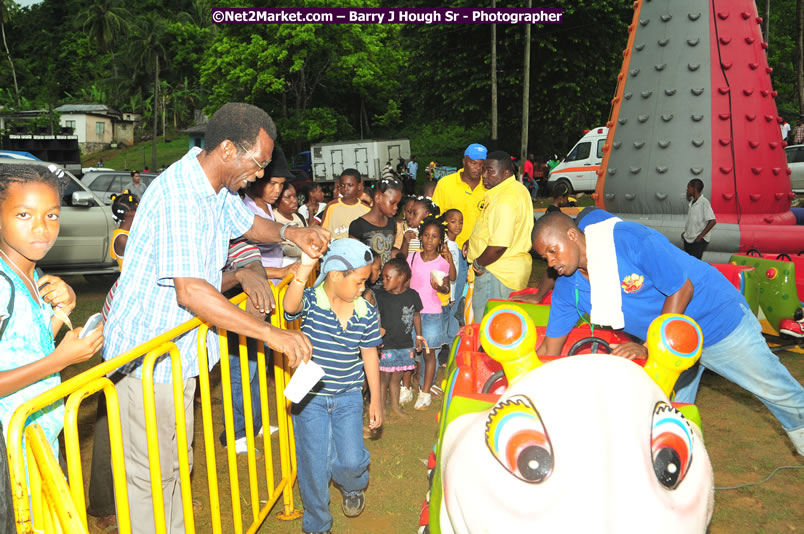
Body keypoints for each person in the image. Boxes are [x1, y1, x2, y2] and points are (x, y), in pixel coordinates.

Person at [102, 103, 329, 534]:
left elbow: (250, 226)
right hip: (145, 359)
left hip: (177, 357)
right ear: (227, 149)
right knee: (149, 476)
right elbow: (193, 292)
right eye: (258, 163)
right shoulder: (180, 196)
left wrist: (289, 232)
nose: (261, 175)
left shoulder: (217, 190)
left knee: (175, 465)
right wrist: (271, 335)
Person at [531, 210, 804, 456]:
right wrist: (523, 387)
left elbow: (681, 289)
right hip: (670, 345)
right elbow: (548, 351)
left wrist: (650, 346)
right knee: (665, 416)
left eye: (553, 251)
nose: (551, 262)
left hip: (716, 322)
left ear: (571, 235)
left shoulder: (629, 240)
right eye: (545, 258)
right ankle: (679, 478)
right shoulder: (569, 287)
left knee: (777, 390)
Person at [0, 163, 103, 480]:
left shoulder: (32, 276)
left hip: (38, 440)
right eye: (24, 215)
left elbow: (24, 345)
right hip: (10, 453)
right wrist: (61, 360)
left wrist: (62, 313)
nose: (42, 228)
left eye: (52, 215)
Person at [282, 239, 382, 534]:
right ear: (336, 275)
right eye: (359, 282)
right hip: (310, 399)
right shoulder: (312, 301)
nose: (363, 288)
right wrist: (304, 269)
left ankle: (352, 487)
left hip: (349, 397)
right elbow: (290, 306)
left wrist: (374, 399)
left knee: (351, 459)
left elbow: (370, 355)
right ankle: (317, 523)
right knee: (314, 463)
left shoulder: (365, 311)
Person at [467, 151, 534, 321]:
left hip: (496, 272)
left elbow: (498, 246)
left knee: (488, 326)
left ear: (506, 173)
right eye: (483, 170)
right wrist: (473, 242)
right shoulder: (516, 189)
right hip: (508, 269)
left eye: (490, 171)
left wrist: (477, 265)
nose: (484, 176)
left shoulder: (505, 199)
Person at [432, 144, 487, 322]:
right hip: (452, 252)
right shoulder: (446, 184)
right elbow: (435, 217)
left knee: (478, 298)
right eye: (473, 163)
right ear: (464, 161)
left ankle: (471, 333)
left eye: (481, 164)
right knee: (451, 297)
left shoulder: (489, 187)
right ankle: (451, 338)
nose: (477, 168)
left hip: (481, 253)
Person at [407, 216, 455, 409]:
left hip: (432, 313)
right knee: (410, 351)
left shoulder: (442, 262)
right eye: (426, 235)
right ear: (421, 237)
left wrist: (440, 287)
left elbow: (447, 287)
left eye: (434, 236)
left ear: (440, 240)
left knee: (429, 353)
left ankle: (425, 391)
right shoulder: (413, 257)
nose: (429, 240)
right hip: (412, 313)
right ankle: (406, 386)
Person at [374, 257, 422, 418]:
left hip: (405, 344)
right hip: (386, 344)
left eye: (388, 277)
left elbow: (416, 316)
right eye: (383, 277)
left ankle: (395, 407)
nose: (384, 281)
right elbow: (375, 318)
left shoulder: (412, 295)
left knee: (397, 378)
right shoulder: (380, 296)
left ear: (401, 278)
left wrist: (419, 337)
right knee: (383, 379)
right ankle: (382, 410)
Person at [243, 152, 301, 277]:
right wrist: (280, 272)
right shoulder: (245, 209)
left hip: (275, 283)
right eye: (272, 183)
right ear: (257, 179)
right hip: (260, 285)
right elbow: (240, 266)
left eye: (281, 184)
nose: (278, 190)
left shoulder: (267, 203)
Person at [349, 176, 403, 271]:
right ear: (378, 198)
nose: (396, 207)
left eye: (397, 204)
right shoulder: (358, 225)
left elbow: (389, 250)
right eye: (392, 203)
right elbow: (353, 259)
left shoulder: (391, 223)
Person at [439, 209, 464, 365]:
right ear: (445, 223)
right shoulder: (444, 245)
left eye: (460, 222)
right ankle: (441, 353)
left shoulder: (456, 246)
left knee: (449, 323)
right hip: (445, 294)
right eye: (453, 221)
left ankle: (448, 351)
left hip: (452, 295)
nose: (458, 225)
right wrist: (449, 295)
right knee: (442, 324)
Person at [322, 169, 370, 240]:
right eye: (342, 185)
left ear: (359, 186)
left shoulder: (366, 210)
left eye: (350, 185)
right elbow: (323, 231)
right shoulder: (331, 206)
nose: (345, 188)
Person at [681, 178, 716, 260]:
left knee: (694, 264)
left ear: (694, 189)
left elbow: (712, 221)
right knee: (688, 262)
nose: (687, 190)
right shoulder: (692, 203)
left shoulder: (704, 202)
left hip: (698, 241)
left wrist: (701, 236)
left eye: (688, 187)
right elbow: (693, 221)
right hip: (689, 239)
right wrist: (686, 233)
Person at [273, 181, 307, 262]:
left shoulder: (300, 217)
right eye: (288, 197)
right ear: (277, 200)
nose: (294, 201)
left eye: (295, 196)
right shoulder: (272, 219)